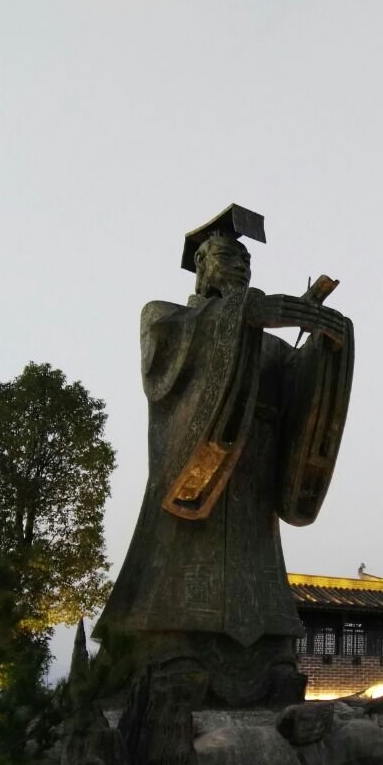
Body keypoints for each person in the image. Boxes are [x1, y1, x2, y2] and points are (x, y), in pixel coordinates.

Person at [94, 205, 353, 706]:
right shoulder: (165, 316)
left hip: (254, 476)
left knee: (257, 559)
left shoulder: (268, 346)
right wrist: (246, 315)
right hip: (199, 469)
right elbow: (166, 375)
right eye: (228, 257)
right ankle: (170, 644)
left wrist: (325, 346)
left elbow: (299, 391)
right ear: (202, 266)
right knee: (184, 553)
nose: (240, 267)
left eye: (245, 261)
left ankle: (269, 652)